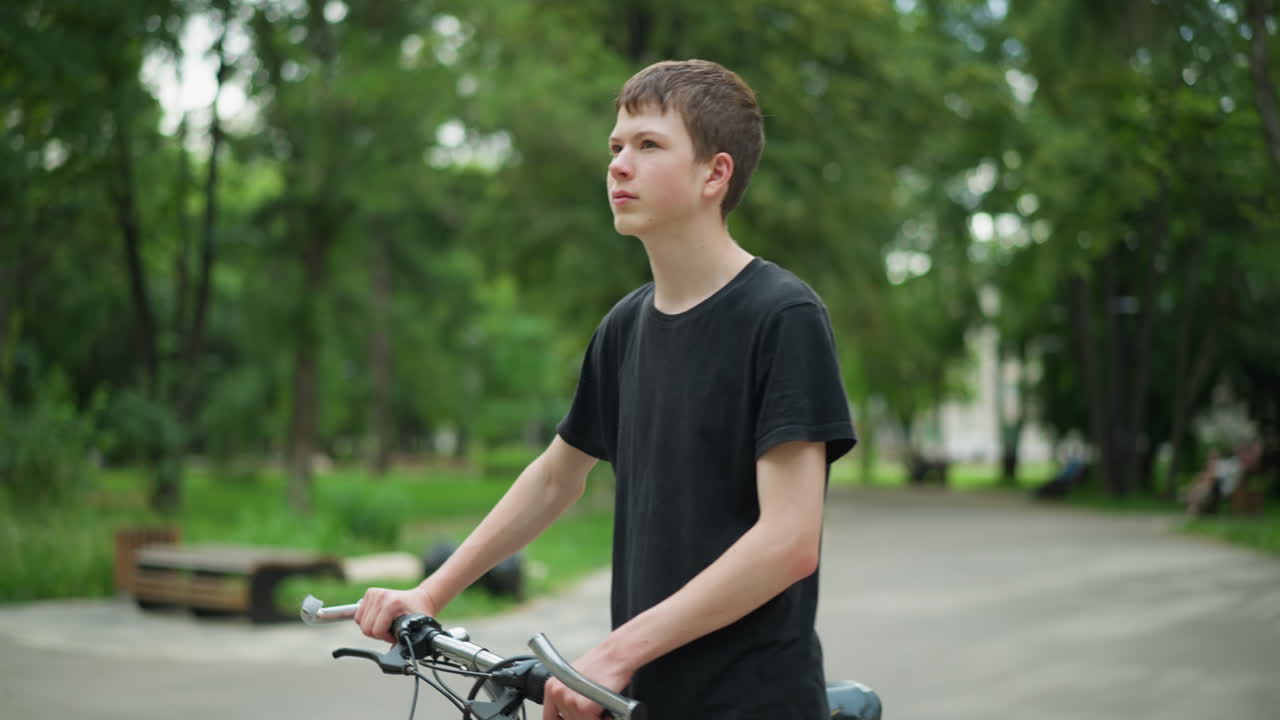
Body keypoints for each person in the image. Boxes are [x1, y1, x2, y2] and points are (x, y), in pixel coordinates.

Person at [354, 59, 856, 719]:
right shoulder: (627, 325)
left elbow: (788, 540)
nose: (620, 164)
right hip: (644, 700)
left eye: (649, 145)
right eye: (616, 146)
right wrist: (432, 592)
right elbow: (556, 477)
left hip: (751, 701)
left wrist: (616, 650)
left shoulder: (781, 316)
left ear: (716, 173)